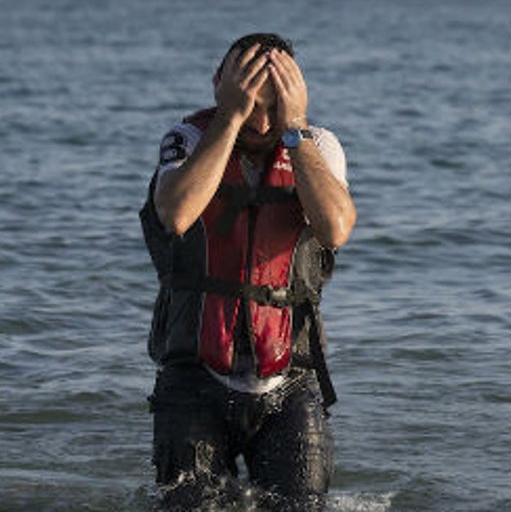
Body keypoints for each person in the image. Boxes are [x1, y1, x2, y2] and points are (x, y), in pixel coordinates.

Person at [140, 33, 357, 510]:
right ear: (220, 85)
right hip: (193, 375)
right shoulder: (188, 139)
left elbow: (335, 228)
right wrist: (230, 116)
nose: (261, 120)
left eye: (272, 104)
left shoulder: (319, 146)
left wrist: (293, 126)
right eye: (250, 103)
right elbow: (175, 213)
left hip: (290, 382)